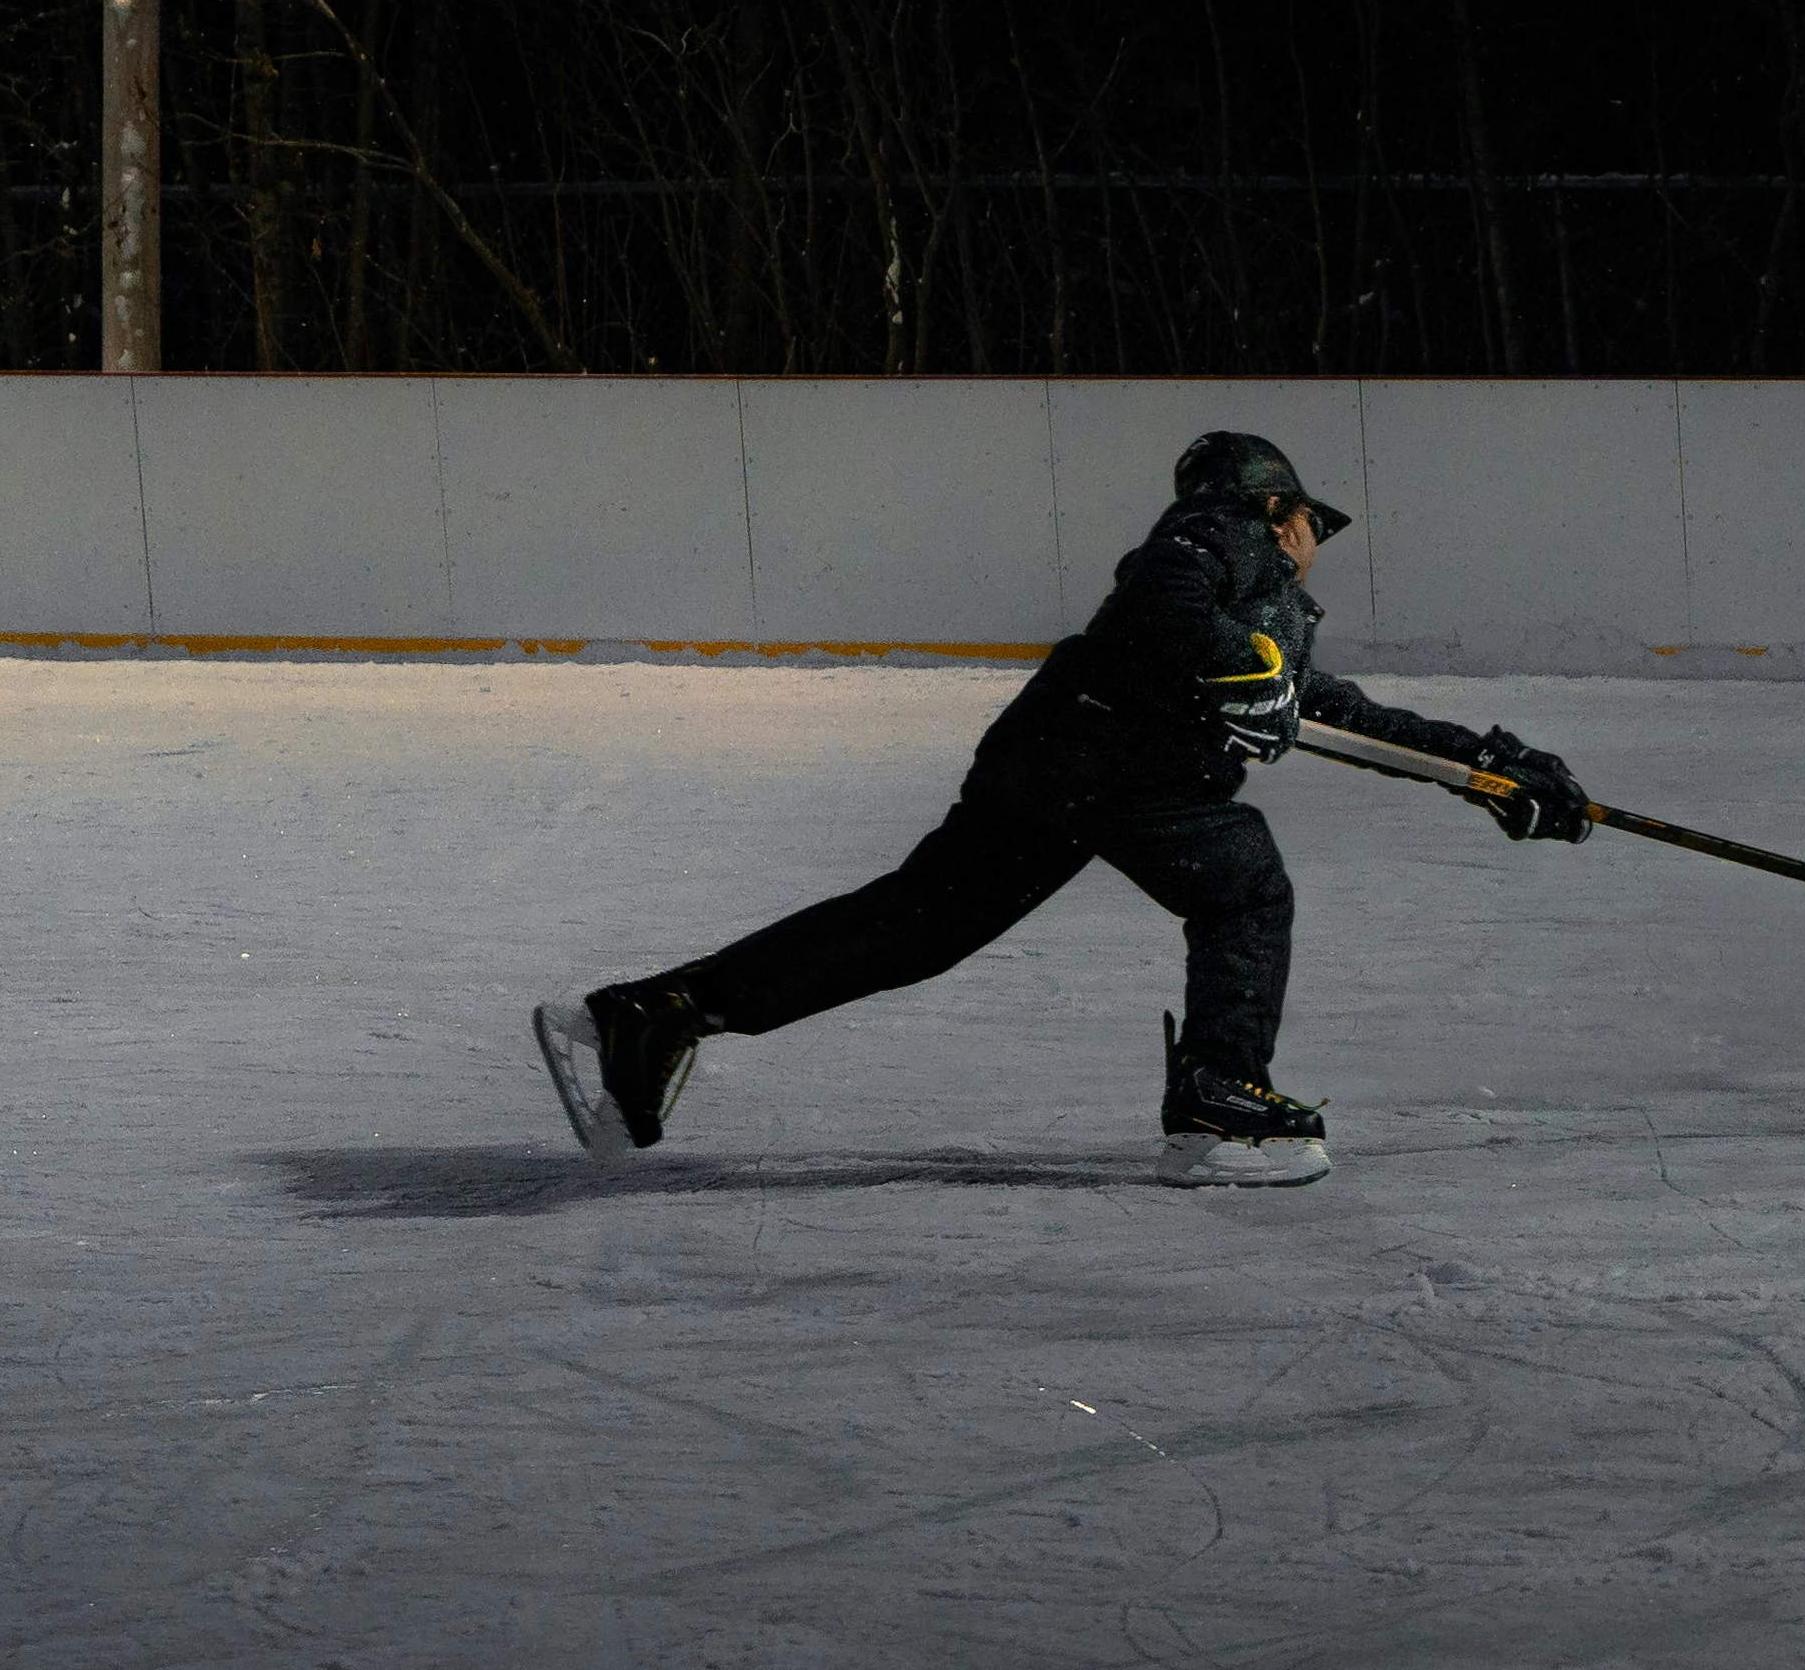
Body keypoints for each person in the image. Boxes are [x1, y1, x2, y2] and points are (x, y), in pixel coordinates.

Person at [535, 427, 1587, 1184]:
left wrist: (1489, 765)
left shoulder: (1252, 606)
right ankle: (1220, 1099)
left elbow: (1332, 710)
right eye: (1312, 519)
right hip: (1106, 761)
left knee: (917, 926)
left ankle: (657, 1010)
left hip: (1053, 759)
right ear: (1276, 505)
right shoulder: (1220, 534)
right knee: (1241, 882)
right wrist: (1241, 667)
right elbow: (1166, 593)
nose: (1315, 540)